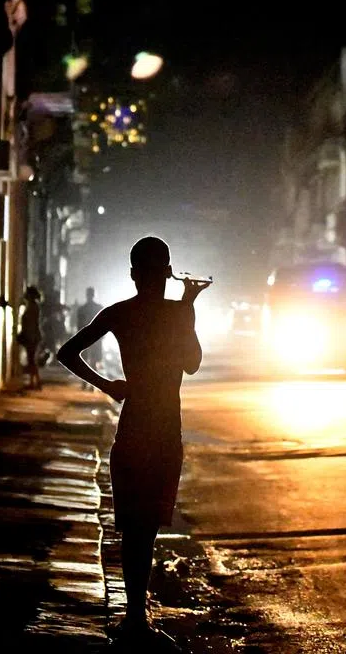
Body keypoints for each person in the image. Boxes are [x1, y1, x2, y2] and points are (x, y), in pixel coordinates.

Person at [57, 237, 210, 641]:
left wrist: (108, 385)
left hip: (134, 427)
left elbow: (67, 352)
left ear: (132, 274)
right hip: (163, 432)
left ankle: (135, 617)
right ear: (168, 273)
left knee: (133, 527)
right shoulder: (177, 314)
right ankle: (137, 619)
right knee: (147, 528)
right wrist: (189, 307)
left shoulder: (121, 313)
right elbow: (192, 365)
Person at [75, 287, 105, 390]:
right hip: (96, 338)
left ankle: (84, 383)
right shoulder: (99, 308)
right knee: (94, 362)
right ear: (94, 295)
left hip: (85, 337)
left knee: (85, 361)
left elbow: (78, 325)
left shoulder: (82, 309)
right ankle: (93, 385)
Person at [18, 285, 43, 390]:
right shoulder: (32, 306)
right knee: (31, 360)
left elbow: (31, 323)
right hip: (32, 335)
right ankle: (35, 381)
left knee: (31, 360)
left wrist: (28, 335)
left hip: (32, 336)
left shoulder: (33, 307)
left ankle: (35, 382)